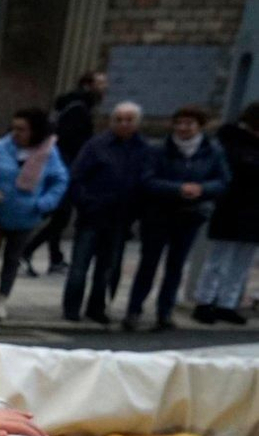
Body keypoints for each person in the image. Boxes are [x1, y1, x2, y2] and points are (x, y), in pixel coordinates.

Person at [125, 105, 231, 331]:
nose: (183, 128)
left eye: (189, 124)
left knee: (176, 266)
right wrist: (178, 189)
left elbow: (223, 181)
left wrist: (202, 189)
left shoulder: (212, 151)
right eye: (179, 123)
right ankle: (134, 310)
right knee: (148, 263)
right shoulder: (159, 149)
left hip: (191, 214)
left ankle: (165, 311)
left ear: (200, 126)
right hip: (159, 214)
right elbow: (147, 180)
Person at [0, 108, 70, 320]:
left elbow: (60, 179)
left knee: (12, 259)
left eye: (22, 129)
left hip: (26, 215)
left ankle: (2, 299)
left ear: (34, 131)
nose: (16, 133)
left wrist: (44, 203)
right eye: (14, 128)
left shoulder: (47, 151)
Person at [61, 101, 150, 324]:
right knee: (80, 266)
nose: (123, 124)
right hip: (92, 214)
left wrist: (136, 210)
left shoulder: (143, 149)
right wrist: (85, 203)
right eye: (118, 119)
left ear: (137, 123)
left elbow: (145, 181)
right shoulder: (96, 145)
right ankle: (72, 307)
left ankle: (97, 307)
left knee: (108, 267)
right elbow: (77, 177)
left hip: (121, 217)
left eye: (129, 120)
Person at [28, 70, 109, 276]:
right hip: (66, 168)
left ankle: (55, 258)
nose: (105, 87)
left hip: (63, 166)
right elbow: (71, 142)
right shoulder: (78, 109)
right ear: (87, 85)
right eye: (100, 83)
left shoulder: (76, 105)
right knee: (61, 215)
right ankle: (27, 251)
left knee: (60, 215)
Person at [192, 103, 259, 325]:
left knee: (242, 261)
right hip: (233, 207)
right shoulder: (232, 142)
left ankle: (227, 302)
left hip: (252, 210)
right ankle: (205, 300)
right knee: (219, 259)